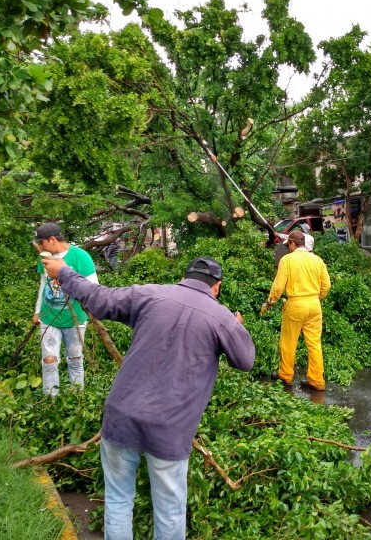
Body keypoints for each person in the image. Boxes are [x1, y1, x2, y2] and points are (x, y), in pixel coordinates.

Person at [41, 255, 254, 540]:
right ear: (217, 286)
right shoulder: (221, 317)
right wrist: (235, 326)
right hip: (169, 428)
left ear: (185, 277)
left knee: (118, 500)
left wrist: (64, 272)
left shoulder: (150, 294)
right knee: (169, 511)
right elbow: (245, 360)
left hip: (121, 416)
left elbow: (97, 298)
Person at [32, 222, 98, 397]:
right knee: (49, 361)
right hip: (49, 317)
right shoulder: (44, 257)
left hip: (75, 319)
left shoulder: (81, 257)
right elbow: (43, 285)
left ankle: (77, 399)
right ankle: (51, 401)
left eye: (42, 243)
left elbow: (94, 290)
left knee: (75, 359)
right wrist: (37, 311)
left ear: (52, 239)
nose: (40, 247)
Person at [262, 230, 331, 391]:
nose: (289, 248)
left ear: (293, 243)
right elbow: (326, 285)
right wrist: (317, 297)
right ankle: (317, 381)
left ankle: (285, 376)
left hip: (295, 305)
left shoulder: (287, 260)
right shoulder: (317, 260)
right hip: (314, 305)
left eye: (289, 245)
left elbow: (278, 286)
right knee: (314, 344)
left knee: (288, 342)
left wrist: (270, 302)